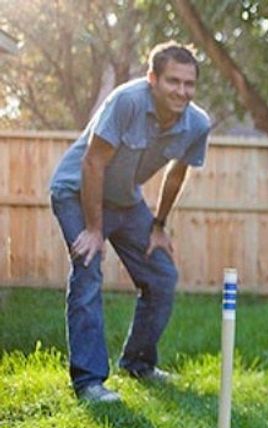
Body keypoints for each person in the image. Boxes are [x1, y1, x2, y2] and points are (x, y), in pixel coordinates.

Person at [49, 41, 211, 403]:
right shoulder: (128, 101)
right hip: (76, 191)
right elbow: (93, 164)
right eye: (173, 81)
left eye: (189, 84)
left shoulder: (196, 124)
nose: (182, 91)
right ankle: (89, 382)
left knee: (162, 276)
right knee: (88, 269)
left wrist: (158, 225)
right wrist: (94, 230)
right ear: (152, 78)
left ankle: (138, 363)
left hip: (125, 199)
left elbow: (175, 173)